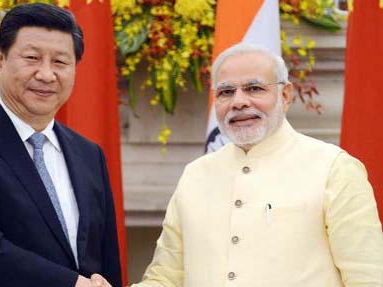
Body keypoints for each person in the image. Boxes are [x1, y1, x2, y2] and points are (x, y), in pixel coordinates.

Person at [131, 43, 383, 287]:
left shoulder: (333, 168)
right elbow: (166, 278)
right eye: (226, 92)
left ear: (285, 96)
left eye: (254, 88)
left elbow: (368, 277)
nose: (238, 102)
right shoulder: (196, 175)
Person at [0, 3, 121, 287]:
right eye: (32, 58)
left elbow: (105, 259)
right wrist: (71, 284)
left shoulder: (88, 154)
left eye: (60, 62)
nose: (46, 74)